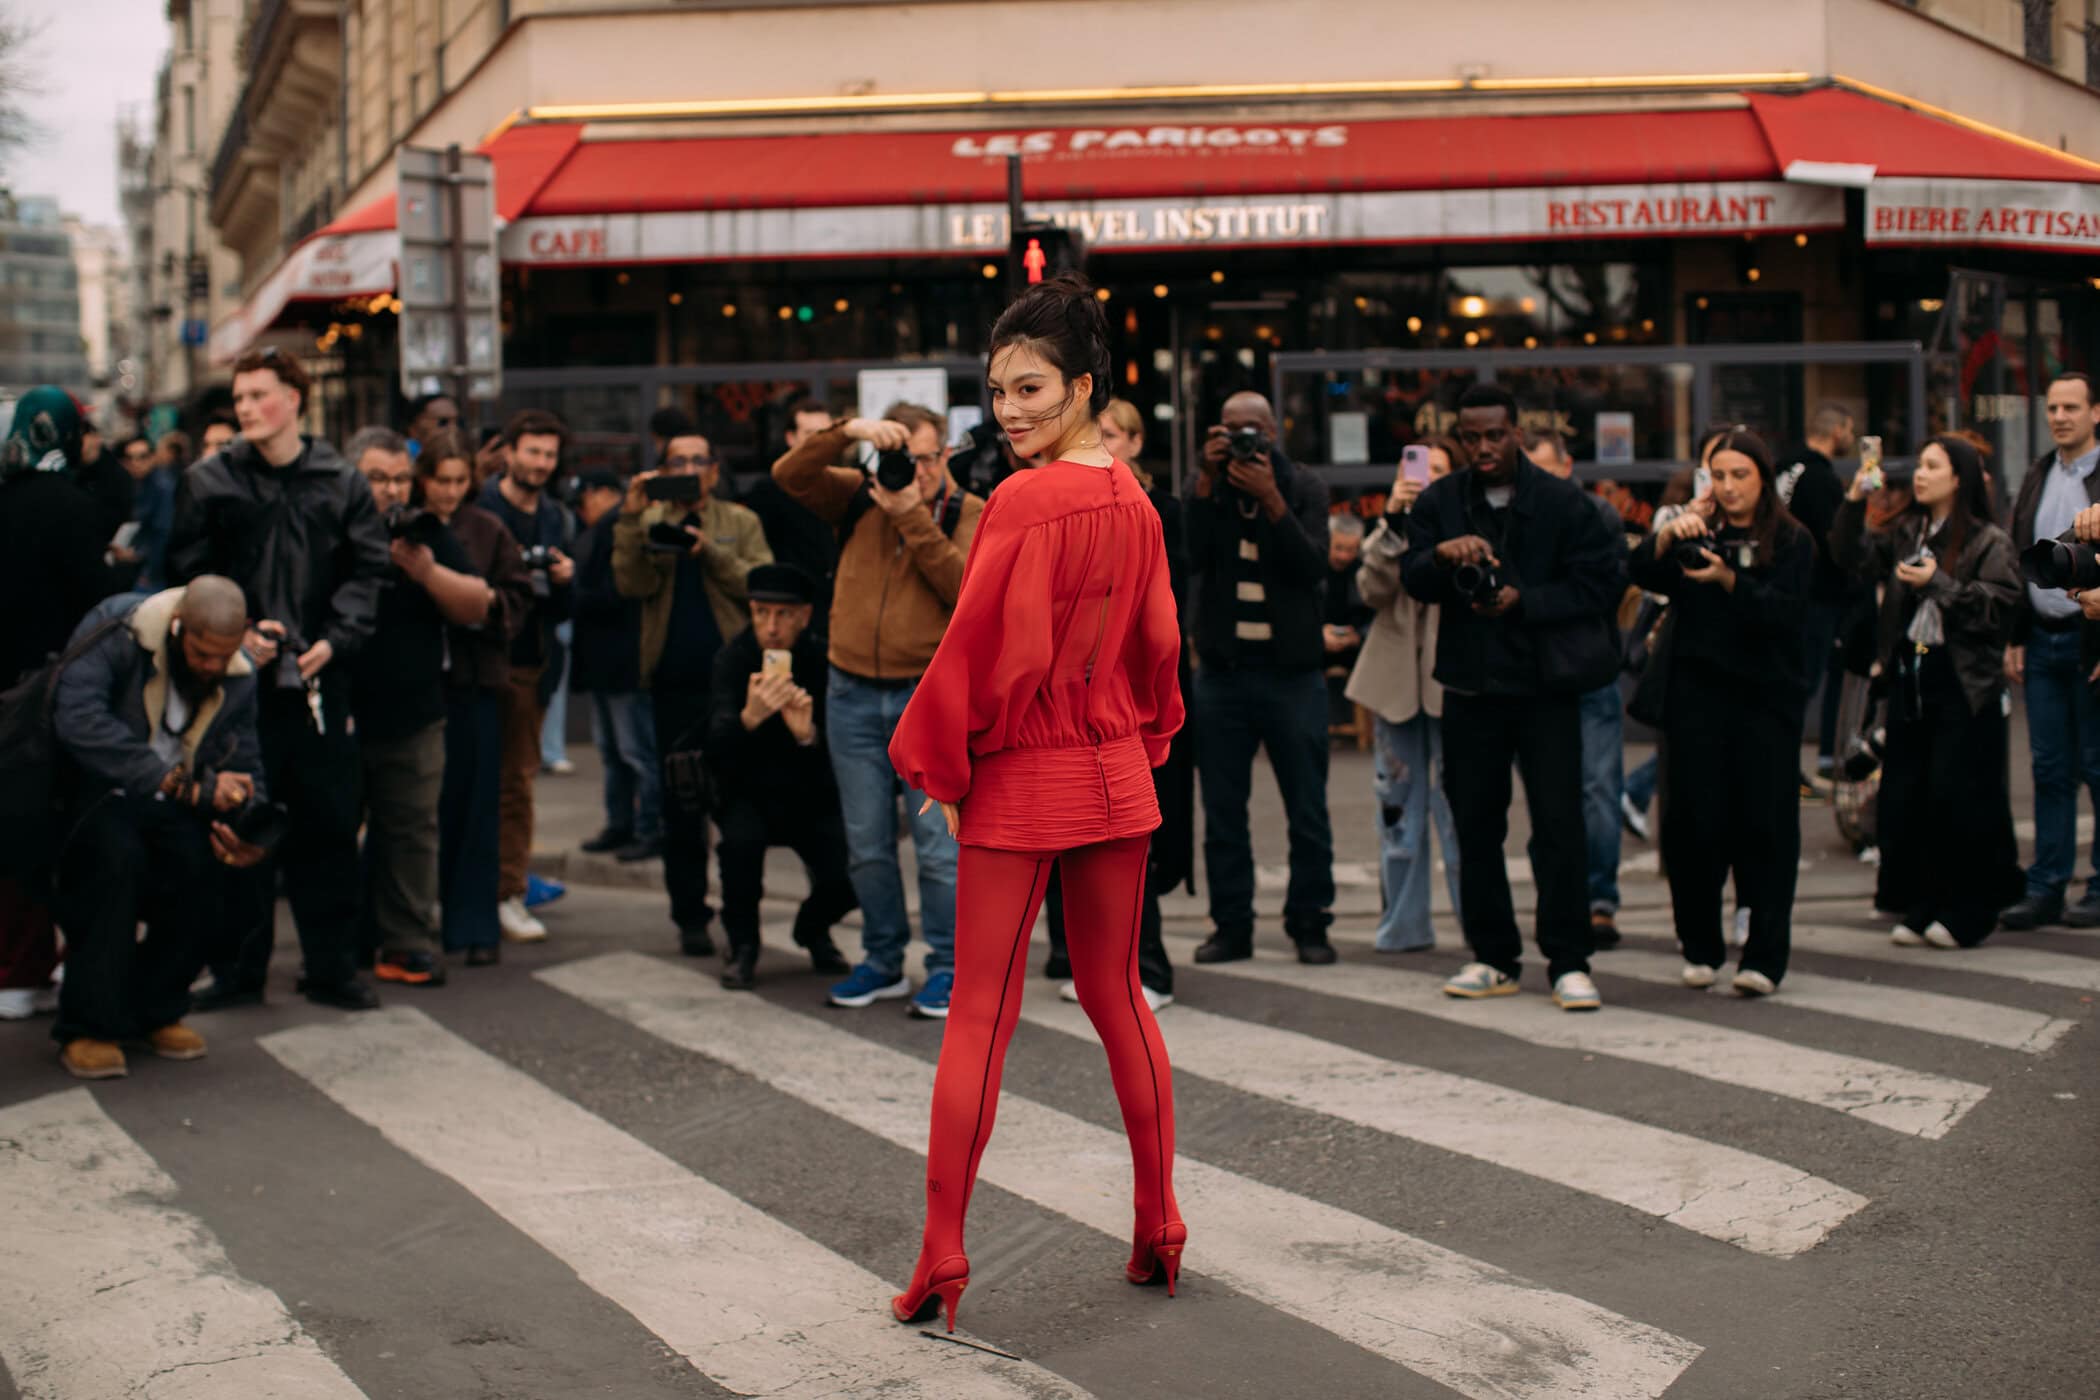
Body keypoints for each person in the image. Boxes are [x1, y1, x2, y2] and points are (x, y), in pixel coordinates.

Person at [886, 272, 1185, 1334]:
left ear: (1084, 385)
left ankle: (942, 1253)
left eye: (1030, 387)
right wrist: (1141, 736)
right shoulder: (1133, 497)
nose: (1008, 408)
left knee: (981, 1012)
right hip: (1115, 769)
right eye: (998, 389)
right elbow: (1159, 648)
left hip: (1024, 769)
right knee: (1116, 996)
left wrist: (945, 768)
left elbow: (982, 655)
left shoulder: (1023, 500)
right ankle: (1160, 1222)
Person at [167, 347, 390, 1012]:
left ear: (294, 398)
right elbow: (186, 576)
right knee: (239, 823)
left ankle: (331, 968)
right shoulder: (211, 481)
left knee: (328, 824)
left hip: (319, 680)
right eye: (239, 400)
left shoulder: (340, 479)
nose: (247, 410)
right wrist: (235, 634)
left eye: (259, 395)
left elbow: (369, 570)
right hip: (235, 687)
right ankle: (237, 969)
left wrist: (335, 640)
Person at [1401, 382, 1624, 1011]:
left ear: (1516, 432)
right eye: (1470, 437)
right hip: (1471, 687)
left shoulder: (1562, 503)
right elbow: (1412, 578)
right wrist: (1443, 557)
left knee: (1559, 825)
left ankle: (1569, 958)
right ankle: (1493, 954)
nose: (1482, 447)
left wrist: (1527, 599)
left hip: (1544, 687)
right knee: (1475, 825)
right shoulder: (1443, 501)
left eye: (1494, 434)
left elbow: (1602, 583)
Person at [772, 401, 985, 1017]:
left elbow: (965, 590)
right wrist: (850, 432)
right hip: (850, 692)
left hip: (927, 696)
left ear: (944, 453)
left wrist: (914, 518)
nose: (911, 471)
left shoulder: (967, 512)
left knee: (938, 848)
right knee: (865, 843)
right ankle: (882, 958)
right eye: (900, 458)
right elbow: (789, 475)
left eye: (922, 458)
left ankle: (947, 967)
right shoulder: (858, 495)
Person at [49, 577, 268, 1078]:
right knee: (114, 866)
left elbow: (248, 755)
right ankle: (88, 1026)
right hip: (101, 793)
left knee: (206, 870)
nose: (212, 666)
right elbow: (78, 717)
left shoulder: (238, 673)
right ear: (177, 628)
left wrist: (251, 824)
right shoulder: (120, 628)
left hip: (179, 803)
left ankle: (154, 1009)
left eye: (223, 656)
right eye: (200, 653)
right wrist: (168, 780)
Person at [1633, 429, 1812, 993]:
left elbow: (1786, 615)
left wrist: (1729, 579)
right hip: (1695, 697)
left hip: (1765, 701)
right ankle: (1701, 946)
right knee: (1692, 826)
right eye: (1719, 475)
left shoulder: (1790, 539)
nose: (1729, 487)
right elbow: (1640, 574)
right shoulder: (1695, 525)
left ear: (1764, 479)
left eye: (1741, 475)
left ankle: (1763, 956)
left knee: (1766, 827)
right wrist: (1667, 537)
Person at [1833, 435, 2022, 947]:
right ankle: (1922, 903)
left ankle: (1967, 910)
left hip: (1964, 680)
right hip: (1910, 673)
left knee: (1957, 795)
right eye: (1918, 465)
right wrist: (1855, 499)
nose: (1919, 474)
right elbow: (1849, 557)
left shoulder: (1988, 540)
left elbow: (1999, 610)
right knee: (1908, 795)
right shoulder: (1908, 529)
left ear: (1958, 477)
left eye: (1932, 466)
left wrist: (1938, 582)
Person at [1038, 396, 1188, 1010]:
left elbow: (1161, 620)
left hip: (1129, 697)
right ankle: (1070, 955)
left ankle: (1144, 969)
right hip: (1065, 697)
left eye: (1113, 433)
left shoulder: (1153, 510)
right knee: (1062, 833)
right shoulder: (1048, 498)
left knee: (1127, 837)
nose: (1102, 442)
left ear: (1134, 440)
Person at [1183, 390, 1337, 965]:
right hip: (1222, 676)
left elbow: (1312, 566)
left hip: (1292, 676)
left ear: (1274, 432)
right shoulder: (1209, 487)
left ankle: (1310, 923)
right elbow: (1189, 557)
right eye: (1231, 429)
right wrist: (1204, 481)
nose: (1244, 439)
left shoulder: (1304, 487)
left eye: (1254, 430)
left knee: (1308, 809)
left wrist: (1272, 499)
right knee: (1223, 810)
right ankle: (1232, 926)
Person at [612, 428, 773, 955]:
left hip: (733, 683)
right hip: (671, 684)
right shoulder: (650, 522)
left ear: (712, 468)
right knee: (680, 806)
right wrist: (633, 518)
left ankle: (741, 917)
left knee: (738, 803)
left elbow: (759, 583)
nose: (686, 469)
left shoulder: (739, 521)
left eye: (696, 460)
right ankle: (690, 916)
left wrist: (709, 552)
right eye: (674, 461)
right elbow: (630, 584)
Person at [348, 427, 495, 987]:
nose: (390, 491)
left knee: (412, 831)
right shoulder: (330, 526)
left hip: (415, 711)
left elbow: (477, 604)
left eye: (400, 479)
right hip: (342, 709)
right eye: (377, 478)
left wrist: (426, 570)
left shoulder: (426, 531)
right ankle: (341, 948)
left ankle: (408, 943)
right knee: (337, 832)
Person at [0, 388, 121, 1020]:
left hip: (3, 704)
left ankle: (18, 969)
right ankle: (79, 954)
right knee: (77, 827)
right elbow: (96, 602)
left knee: (12, 832)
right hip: (60, 697)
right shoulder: (70, 506)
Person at [703, 563, 855, 987]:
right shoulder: (732, 660)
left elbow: (845, 753)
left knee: (856, 865)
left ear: (804, 616)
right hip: (747, 793)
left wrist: (808, 735)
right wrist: (747, 719)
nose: (771, 627)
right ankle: (743, 944)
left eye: (782, 615)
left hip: (809, 796)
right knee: (739, 849)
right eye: (761, 613)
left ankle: (812, 928)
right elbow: (712, 750)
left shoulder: (823, 660)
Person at [417, 430, 531, 965]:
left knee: (476, 802)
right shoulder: (408, 527)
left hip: (476, 678)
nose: (450, 492)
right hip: (421, 680)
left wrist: (486, 608)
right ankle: (418, 915)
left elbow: (516, 596)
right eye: (442, 481)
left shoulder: (486, 529)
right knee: (422, 805)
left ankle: (474, 923)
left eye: (461, 481)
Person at [1347, 437, 1464, 953]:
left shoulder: (1467, 520)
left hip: (1453, 681)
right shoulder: (1390, 527)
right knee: (1396, 807)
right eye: (1419, 467)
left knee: (1459, 810)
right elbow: (1371, 591)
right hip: (1395, 685)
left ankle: (1478, 927)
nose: (1427, 477)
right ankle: (1404, 926)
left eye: (1439, 469)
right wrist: (1392, 521)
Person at [1523, 427, 1629, 949]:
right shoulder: (1513, 518)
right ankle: (1560, 899)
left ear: (1567, 468)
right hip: (1531, 676)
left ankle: (1599, 901)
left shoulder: (1596, 515)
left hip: (1585, 670)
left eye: (1545, 468)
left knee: (1598, 789)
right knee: (1549, 799)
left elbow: (1602, 588)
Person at [2003, 372, 2100, 931]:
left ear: (2094, 413)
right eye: (2053, 407)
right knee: (2049, 768)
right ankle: (2046, 887)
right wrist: (2017, 635)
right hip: (2043, 638)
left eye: (2071, 406)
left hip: (2092, 641)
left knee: (2096, 765)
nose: (2060, 416)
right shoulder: (2039, 473)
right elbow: (2027, 561)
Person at [476, 409, 577, 942]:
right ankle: (467, 890)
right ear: (509, 451)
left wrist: (562, 580)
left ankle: (508, 891)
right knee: (469, 782)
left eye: (549, 454)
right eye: (532, 451)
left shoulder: (556, 518)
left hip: (530, 664)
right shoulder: (479, 508)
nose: (540, 464)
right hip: (476, 664)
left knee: (516, 785)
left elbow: (562, 612)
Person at [571, 470, 661, 862]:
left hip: (623, 658)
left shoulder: (621, 528)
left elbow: (621, 591)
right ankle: (622, 823)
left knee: (634, 750)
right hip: (604, 659)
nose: (581, 508)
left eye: (585, 497)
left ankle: (648, 826)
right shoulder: (603, 529)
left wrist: (572, 585)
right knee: (614, 750)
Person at [1778, 404, 1857, 789]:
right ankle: (1785, 772)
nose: (1851, 437)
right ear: (1837, 430)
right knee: (1801, 684)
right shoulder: (1821, 478)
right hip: (1815, 597)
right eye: (1850, 429)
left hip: (1782, 593)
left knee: (1789, 684)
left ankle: (1788, 767)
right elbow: (1836, 543)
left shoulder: (1784, 467)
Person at [739, 394, 841, 635]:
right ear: (790, 438)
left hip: (839, 615)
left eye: (825, 435)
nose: (819, 443)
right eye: (810, 435)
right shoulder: (768, 491)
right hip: (789, 617)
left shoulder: (844, 485)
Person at [1322, 512, 1373, 728]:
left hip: (1356, 647)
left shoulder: (1364, 572)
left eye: (1350, 549)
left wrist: (1357, 636)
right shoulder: (1313, 567)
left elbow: (1374, 616)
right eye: (1339, 548)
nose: (1344, 556)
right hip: (1318, 644)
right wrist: (1319, 632)